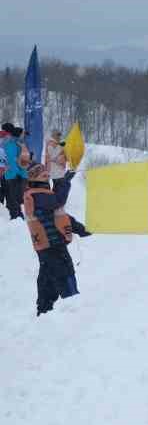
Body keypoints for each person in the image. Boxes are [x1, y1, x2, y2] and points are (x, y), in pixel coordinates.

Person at [24, 164, 86, 315]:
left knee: (47, 278)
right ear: (33, 177)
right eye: (42, 175)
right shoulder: (36, 194)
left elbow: (60, 215)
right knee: (65, 274)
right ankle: (73, 308)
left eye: (47, 174)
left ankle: (44, 310)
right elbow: (58, 201)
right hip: (52, 245)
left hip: (46, 246)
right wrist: (64, 182)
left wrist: (79, 228)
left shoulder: (44, 194)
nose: (46, 176)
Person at [1, 122, 24, 220]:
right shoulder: (8, 140)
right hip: (8, 171)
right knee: (10, 194)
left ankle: (7, 213)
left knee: (6, 192)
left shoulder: (5, 138)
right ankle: (15, 214)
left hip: (5, 170)